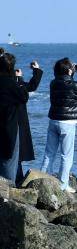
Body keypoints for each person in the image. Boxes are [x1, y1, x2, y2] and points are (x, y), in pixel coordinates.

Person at [41, 57, 77, 192]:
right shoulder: (75, 85)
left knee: (49, 153)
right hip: (68, 123)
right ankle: (62, 185)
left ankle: (42, 180)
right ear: (70, 71)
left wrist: (70, 71)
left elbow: (64, 80)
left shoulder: (53, 83)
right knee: (66, 155)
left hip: (53, 120)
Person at [0, 53, 42, 182]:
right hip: (9, 124)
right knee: (10, 157)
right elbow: (24, 95)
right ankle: (8, 188)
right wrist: (19, 79)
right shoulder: (11, 83)